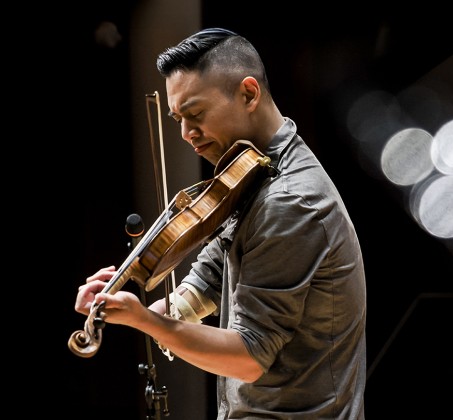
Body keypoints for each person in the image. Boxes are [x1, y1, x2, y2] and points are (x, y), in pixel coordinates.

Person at [74, 28, 367, 419]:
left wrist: (146, 321)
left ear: (248, 94)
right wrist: (143, 310)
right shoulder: (252, 172)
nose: (185, 134)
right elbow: (210, 278)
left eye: (195, 115)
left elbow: (249, 357)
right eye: (177, 118)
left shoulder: (289, 201)